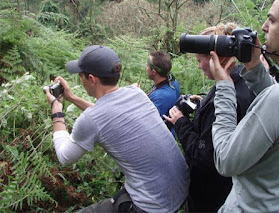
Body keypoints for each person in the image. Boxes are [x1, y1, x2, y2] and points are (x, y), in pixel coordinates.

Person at [43, 45, 190, 212]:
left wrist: (57, 112)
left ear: (91, 79)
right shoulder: (137, 94)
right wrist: (72, 98)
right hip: (181, 190)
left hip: (153, 205)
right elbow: (107, 114)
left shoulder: (92, 119)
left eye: (80, 75)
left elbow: (64, 156)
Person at [209, 0, 279, 212]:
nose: (263, 28)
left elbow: (225, 160)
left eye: (271, 20)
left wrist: (223, 86)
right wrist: (254, 68)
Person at [163, 23, 255, 212]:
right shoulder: (244, 80)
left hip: (211, 197)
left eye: (199, 60)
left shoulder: (227, 99)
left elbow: (204, 158)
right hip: (232, 190)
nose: (198, 66)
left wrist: (180, 122)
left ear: (216, 58)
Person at [146, 51, 180, 117]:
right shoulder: (172, 81)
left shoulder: (160, 98)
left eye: (147, 66)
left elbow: (148, 122)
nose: (146, 68)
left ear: (153, 72)